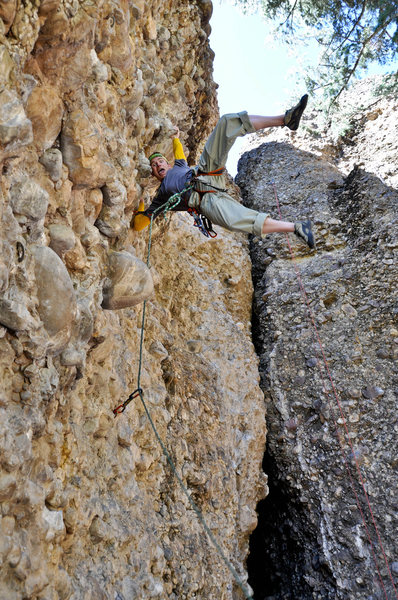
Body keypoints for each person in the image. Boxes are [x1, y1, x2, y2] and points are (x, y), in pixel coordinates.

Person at [133, 95, 315, 249]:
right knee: (236, 220)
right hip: (207, 201)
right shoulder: (161, 197)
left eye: (160, 161)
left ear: (167, 163)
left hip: (206, 173)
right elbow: (139, 225)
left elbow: (178, 149)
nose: (158, 165)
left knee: (226, 123)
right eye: (154, 166)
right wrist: (140, 205)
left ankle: (285, 120)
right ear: (153, 174)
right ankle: (297, 227)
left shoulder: (179, 166)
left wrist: (175, 137)